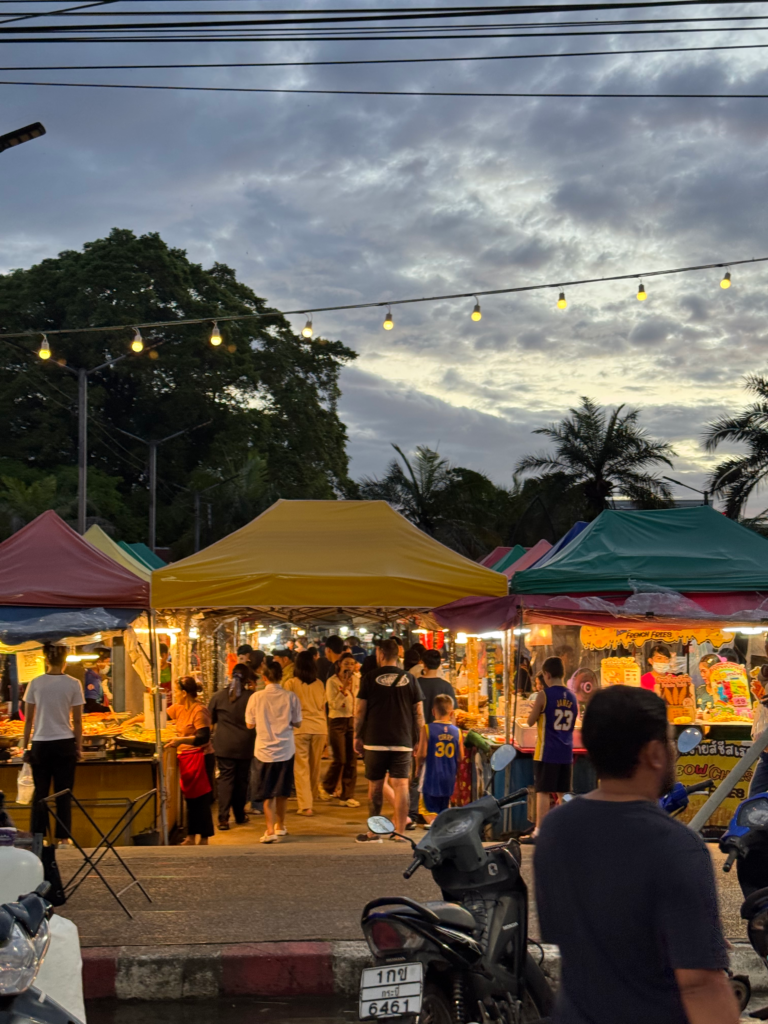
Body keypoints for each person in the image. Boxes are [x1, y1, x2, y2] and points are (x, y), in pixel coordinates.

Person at [535, 686, 738, 1024]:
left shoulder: (555, 829)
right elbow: (701, 985)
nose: (673, 751)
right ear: (654, 753)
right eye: (669, 741)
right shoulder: (676, 845)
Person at [354, 637, 424, 843]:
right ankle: (400, 831)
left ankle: (374, 831)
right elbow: (419, 714)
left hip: (375, 739)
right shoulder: (410, 679)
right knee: (401, 785)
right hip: (403, 739)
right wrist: (419, 740)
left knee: (375, 786)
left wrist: (356, 736)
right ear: (398, 655)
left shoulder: (368, 678)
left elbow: (359, 711)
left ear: (381, 654)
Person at [22, 643, 84, 844]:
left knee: (40, 793)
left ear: (46, 659)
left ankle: (39, 837)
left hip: (40, 744)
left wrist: (25, 746)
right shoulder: (74, 684)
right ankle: (63, 839)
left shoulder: (36, 683)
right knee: (63, 793)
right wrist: (79, 746)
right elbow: (77, 720)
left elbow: (29, 719)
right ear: (65, 661)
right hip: (65, 743)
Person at [246, 661, 302, 843]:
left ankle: (269, 830)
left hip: (263, 751)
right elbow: (298, 722)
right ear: (280, 677)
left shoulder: (256, 697)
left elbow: (249, 724)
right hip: (286, 749)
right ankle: (281, 825)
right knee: (282, 791)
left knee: (266, 791)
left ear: (264, 677)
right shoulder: (291, 697)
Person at [525, 656, 577, 840]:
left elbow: (530, 721)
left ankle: (540, 831)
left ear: (546, 675)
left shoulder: (543, 695)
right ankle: (565, 830)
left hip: (546, 751)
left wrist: (535, 711)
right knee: (563, 792)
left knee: (543, 791)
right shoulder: (572, 696)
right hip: (566, 751)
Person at [166, 677, 215, 845]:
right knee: (190, 798)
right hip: (187, 758)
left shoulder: (199, 710)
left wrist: (180, 741)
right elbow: (161, 715)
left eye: (177, 691)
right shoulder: (179, 708)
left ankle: (204, 837)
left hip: (202, 757)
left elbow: (203, 737)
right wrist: (134, 720)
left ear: (185, 693)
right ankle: (191, 836)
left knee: (201, 798)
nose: (174, 694)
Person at [209, 664, 253, 830]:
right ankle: (240, 815)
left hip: (224, 745)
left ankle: (223, 818)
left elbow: (210, 720)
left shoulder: (218, 696)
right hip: (245, 745)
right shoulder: (251, 697)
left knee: (225, 780)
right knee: (242, 781)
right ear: (247, 679)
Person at [283, 651, 328, 816]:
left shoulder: (291, 684)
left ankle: (305, 805)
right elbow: (323, 709)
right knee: (315, 767)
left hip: (300, 729)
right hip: (319, 728)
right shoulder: (319, 684)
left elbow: (287, 710)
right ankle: (312, 796)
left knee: (301, 767)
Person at [320, 652, 360, 806]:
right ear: (339, 665)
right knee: (340, 758)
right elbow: (333, 704)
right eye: (346, 664)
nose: (349, 667)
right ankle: (327, 786)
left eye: (351, 663)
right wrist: (343, 690)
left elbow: (358, 699)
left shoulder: (357, 680)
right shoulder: (332, 682)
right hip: (337, 721)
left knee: (352, 760)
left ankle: (347, 795)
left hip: (352, 720)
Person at [416, 693, 463, 818]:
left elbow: (421, 754)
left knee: (428, 812)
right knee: (443, 811)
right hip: (448, 779)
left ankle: (434, 830)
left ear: (433, 711)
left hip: (430, 778)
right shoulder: (457, 732)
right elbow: (460, 757)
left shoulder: (427, 729)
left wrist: (416, 768)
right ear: (452, 713)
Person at [418, 650, 456, 724]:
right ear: (439, 665)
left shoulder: (415, 683)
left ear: (424, 665)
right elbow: (452, 714)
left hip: (419, 731)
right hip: (441, 732)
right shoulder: (446, 686)